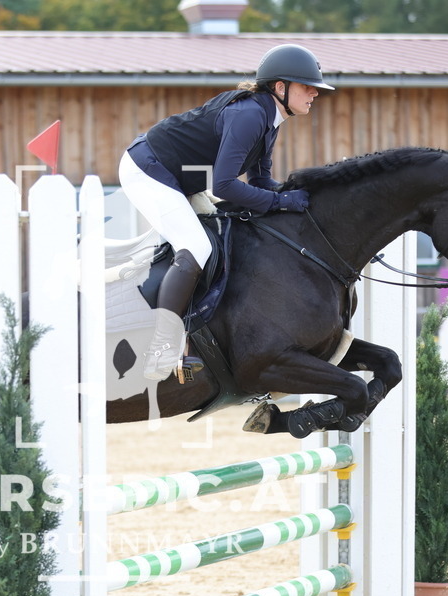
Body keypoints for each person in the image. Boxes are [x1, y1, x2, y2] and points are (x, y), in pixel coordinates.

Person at [119, 44, 334, 381]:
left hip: (176, 177)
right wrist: (280, 203)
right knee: (198, 247)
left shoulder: (269, 118)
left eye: (315, 88)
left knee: (223, 238)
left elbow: (260, 180)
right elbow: (224, 186)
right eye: (307, 87)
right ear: (280, 87)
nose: (314, 94)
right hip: (147, 169)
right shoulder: (250, 116)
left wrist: (298, 197)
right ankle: (160, 346)